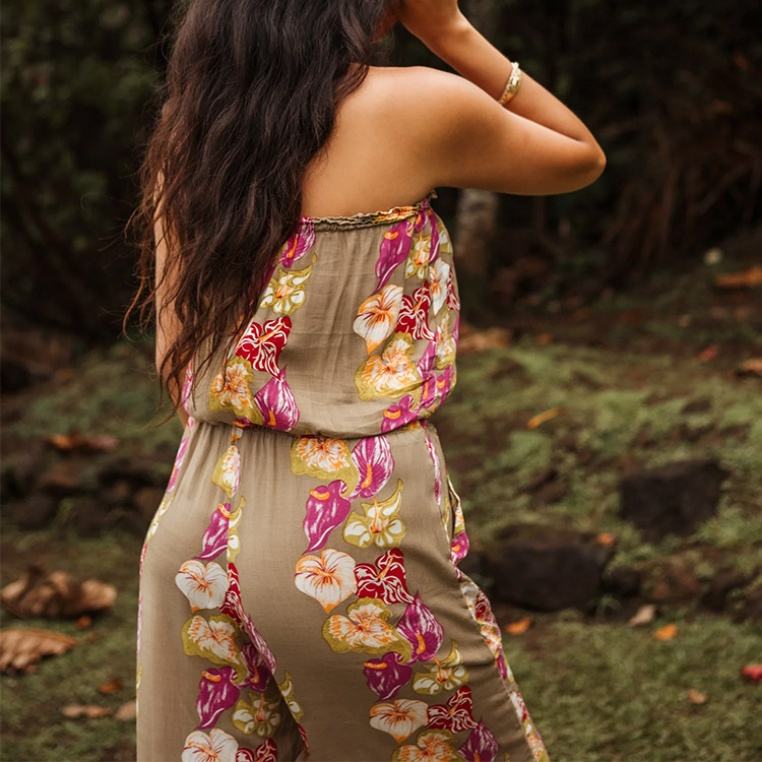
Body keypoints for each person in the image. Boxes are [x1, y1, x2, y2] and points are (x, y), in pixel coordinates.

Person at [126, 1, 605, 760]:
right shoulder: (415, 104)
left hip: (194, 525)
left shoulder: (191, 134)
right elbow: (578, 155)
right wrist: (449, 30)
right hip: (350, 524)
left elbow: (174, 360)